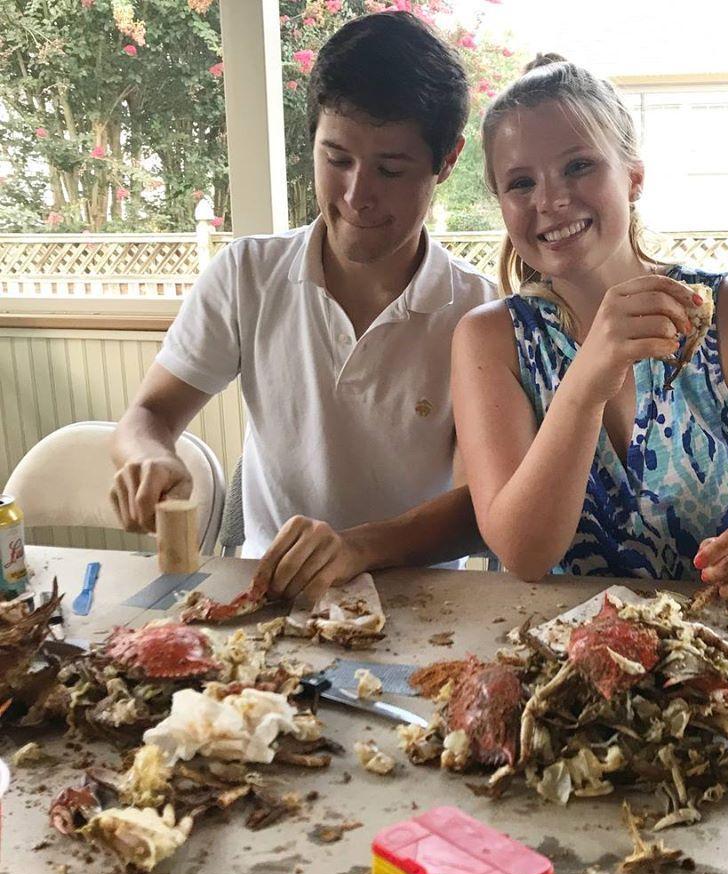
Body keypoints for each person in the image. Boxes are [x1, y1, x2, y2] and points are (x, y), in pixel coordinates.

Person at [451, 56, 728, 607]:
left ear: (634, 178)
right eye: (521, 182)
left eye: (578, 167)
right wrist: (589, 378)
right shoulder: (490, 339)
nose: (549, 200)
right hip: (564, 672)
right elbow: (523, 554)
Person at [110, 12, 496, 601]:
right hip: (270, 591)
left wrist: (355, 548)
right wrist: (148, 457)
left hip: (422, 603)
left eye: (391, 169)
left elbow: (476, 508)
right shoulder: (248, 275)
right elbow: (150, 416)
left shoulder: (476, 309)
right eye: (336, 158)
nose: (357, 195)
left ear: (446, 162)